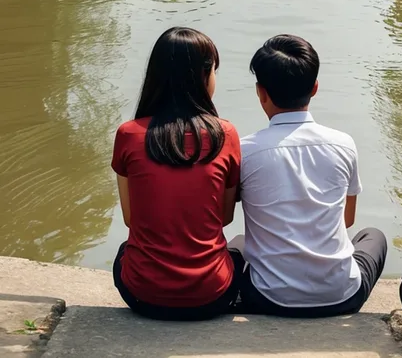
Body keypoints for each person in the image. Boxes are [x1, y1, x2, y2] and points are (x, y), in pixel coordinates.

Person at [239, 34, 387, 317]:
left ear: (261, 92)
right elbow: (347, 220)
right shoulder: (343, 143)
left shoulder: (245, 150)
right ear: (315, 88)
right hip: (341, 297)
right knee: (373, 235)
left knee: (238, 244)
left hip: (267, 298)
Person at [112, 27, 243, 321]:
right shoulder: (226, 134)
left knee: (125, 250)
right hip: (212, 296)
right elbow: (224, 218)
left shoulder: (128, 134)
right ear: (204, 76)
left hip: (142, 295)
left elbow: (131, 219)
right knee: (238, 251)